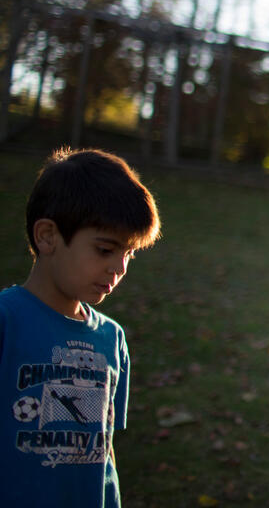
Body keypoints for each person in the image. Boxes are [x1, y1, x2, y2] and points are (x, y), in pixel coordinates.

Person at [1, 147, 161, 507]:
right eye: (105, 250)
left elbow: (102, 452)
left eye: (129, 254)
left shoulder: (111, 339)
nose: (119, 267)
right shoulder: (7, 321)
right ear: (47, 236)